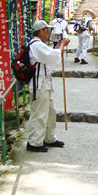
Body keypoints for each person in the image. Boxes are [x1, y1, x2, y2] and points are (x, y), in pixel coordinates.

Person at [26, 20, 70, 152]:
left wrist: (59, 46)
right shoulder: (37, 45)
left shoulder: (38, 45)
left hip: (44, 84)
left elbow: (50, 55)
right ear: (41, 31)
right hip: (39, 85)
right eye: (47, 30)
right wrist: (62, 46)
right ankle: (34, 142)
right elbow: (53, 56)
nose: (48, 33)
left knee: (51, 112)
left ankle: (49, 138)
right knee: (40, 113)